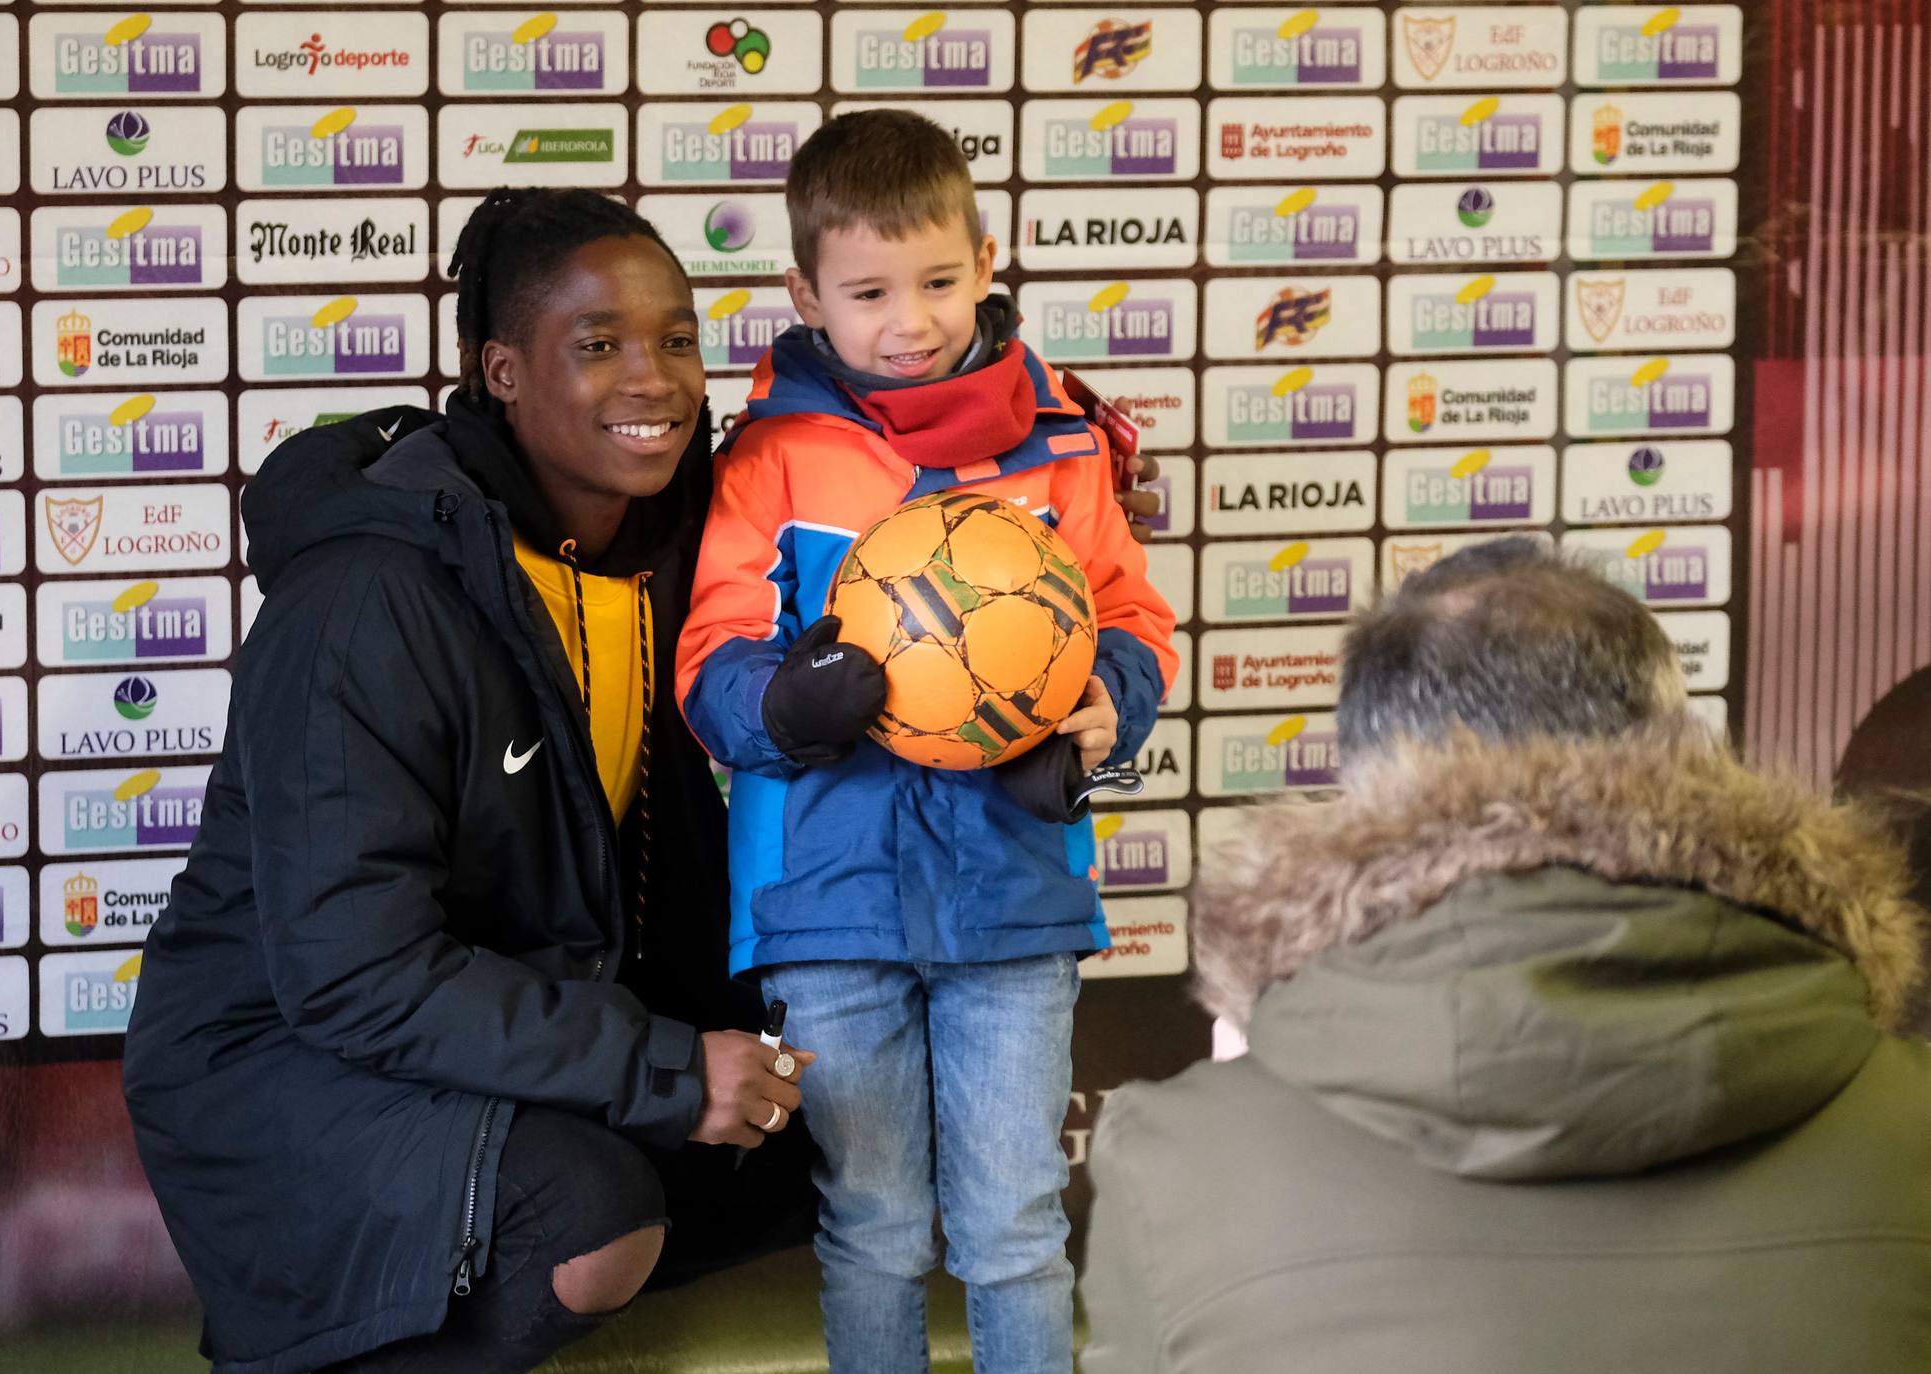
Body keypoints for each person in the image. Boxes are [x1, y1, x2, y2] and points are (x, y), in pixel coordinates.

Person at [123, 189, 821, 1374]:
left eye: (675, 340)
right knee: (587, 1216)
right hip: (283, 1057)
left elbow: (870, 475)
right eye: (596, 346)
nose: (652, 380)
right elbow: (350, 974)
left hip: (505, 1020)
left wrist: (1059, 479)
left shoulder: (671, 545)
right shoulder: (367, 596)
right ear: (501, 369)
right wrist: (657, 1070)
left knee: (840, 1143)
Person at [1081, 538, 1931, 1374]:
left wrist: (1259, 1075)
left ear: (1363, 784)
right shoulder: (1908, 1120)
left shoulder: (1178, 1164)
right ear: (1685, 758)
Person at [674, 109, 1179, 1374]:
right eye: (868, 291)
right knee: (876, 1221)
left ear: (988, 259)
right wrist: (781, 705)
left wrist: (1108, 701)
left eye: (940, 281)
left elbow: (1128, 615)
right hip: (827, 905)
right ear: (805, 293)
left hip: (1013, 891)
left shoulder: (1061, 439)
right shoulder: (772, 457)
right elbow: (709, 656)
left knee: (1013, 1223)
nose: (910, 318)